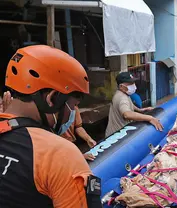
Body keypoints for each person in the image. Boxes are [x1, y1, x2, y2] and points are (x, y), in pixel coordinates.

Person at [0, 45, 101, 207]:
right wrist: (69, 161)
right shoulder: (60, 155)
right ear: (52, 98)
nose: (72, 113)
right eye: (73, 106)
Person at [105, 72, 163, 137]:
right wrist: (150, 118)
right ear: (121, 86)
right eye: (130, 84)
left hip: (113, 133)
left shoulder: (122, 93)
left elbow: (129, 105)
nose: (133, 85)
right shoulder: (122, 98)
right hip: (116, 137)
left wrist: (141, 110)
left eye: (133, 83)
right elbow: (127, 114)